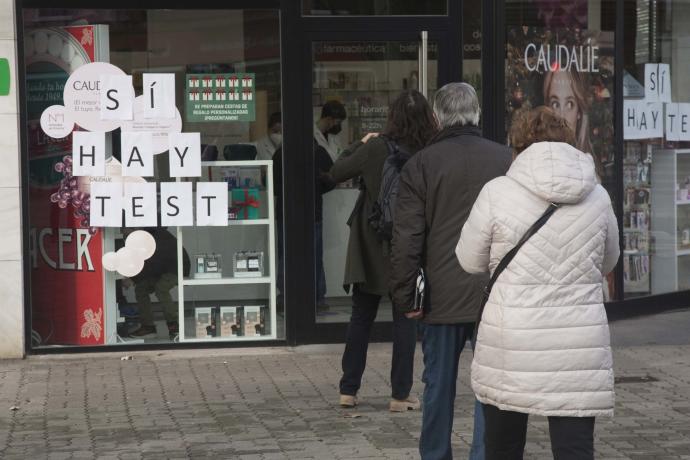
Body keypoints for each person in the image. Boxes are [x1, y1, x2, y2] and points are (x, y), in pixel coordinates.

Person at [456, 106, 619, 460]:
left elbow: (469, 260)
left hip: (511, 339)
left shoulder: (497, 192)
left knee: (503, 448)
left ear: (517, 145)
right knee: (575, 450)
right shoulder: (598, 196)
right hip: (578, 341)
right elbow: (609, 261)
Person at [390, 82, 512, 460]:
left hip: (440, 296)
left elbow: (407, 237)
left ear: (438, 117)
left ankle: (436, 454)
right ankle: (484, 454)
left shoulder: (422, 164)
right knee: (489, 387)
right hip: (494, 294)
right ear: (476, 113)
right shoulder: (506, 159)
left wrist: (406, 294)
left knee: (437, 385)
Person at [331, 90, 437, 412]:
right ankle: (400, 395)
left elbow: (336, 172)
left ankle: (348, 391)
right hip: (409, 242)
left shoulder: (376, 147)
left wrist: (360, 143)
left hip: (369, 244)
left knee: (361, 315)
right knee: (406, 319)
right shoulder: (429, 151)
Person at [126, 227, 191, 339]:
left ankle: (174, 326)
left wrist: (133, 278)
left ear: (134, 227)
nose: (122, 231)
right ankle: (148, 327)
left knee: (161, 288)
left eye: (124, 228)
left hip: (177, 268)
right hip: (163, 269)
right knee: (141, 288)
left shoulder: (151, 236)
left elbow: (153, 263)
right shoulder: (147, 233)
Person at [543, 69, 593, 155]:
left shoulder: (589, 165)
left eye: (570, 104)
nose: (561, 116)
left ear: (579, 112)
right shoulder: (536, 159)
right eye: (555, 104)